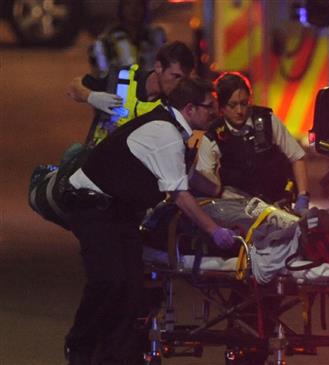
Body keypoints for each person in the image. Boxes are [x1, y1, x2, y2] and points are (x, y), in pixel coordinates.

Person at [63, 77, 237, 365]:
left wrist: (220, 191)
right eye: (210, 108)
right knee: (109, 280)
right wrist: (214, 230)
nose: (215, 113)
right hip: (92, 206)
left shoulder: (177, 132)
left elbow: (188, 177)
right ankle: (80, 346)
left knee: (132, 286)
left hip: (119, 211)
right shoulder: (165, 133)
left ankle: (115, 357)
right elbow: (180, 194)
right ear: (190, 108)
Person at [190, 72, 311, 214]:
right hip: (240, 211)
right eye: (233, 105)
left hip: (277, 205)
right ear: (221, 107)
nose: (240, 111)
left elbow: (297, 157)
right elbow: (205, 179)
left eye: (244, 103)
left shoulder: (266, 121)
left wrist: (303, 197)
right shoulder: (213, 135)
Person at [67, 40, 194, 146]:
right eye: (175, 76)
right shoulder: (121, 79)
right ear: (158, 67)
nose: (179, 84)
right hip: (95, 161)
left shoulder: (176, 105)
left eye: (184, 79)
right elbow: (73, 87)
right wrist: (91, 97)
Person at [88, 0, 166, 78]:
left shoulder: (156, 36)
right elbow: (100, 73)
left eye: (138, 4)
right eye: (128, 4)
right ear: (121, 8)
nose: (134, 9)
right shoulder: (107, 39)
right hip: (118, 87)